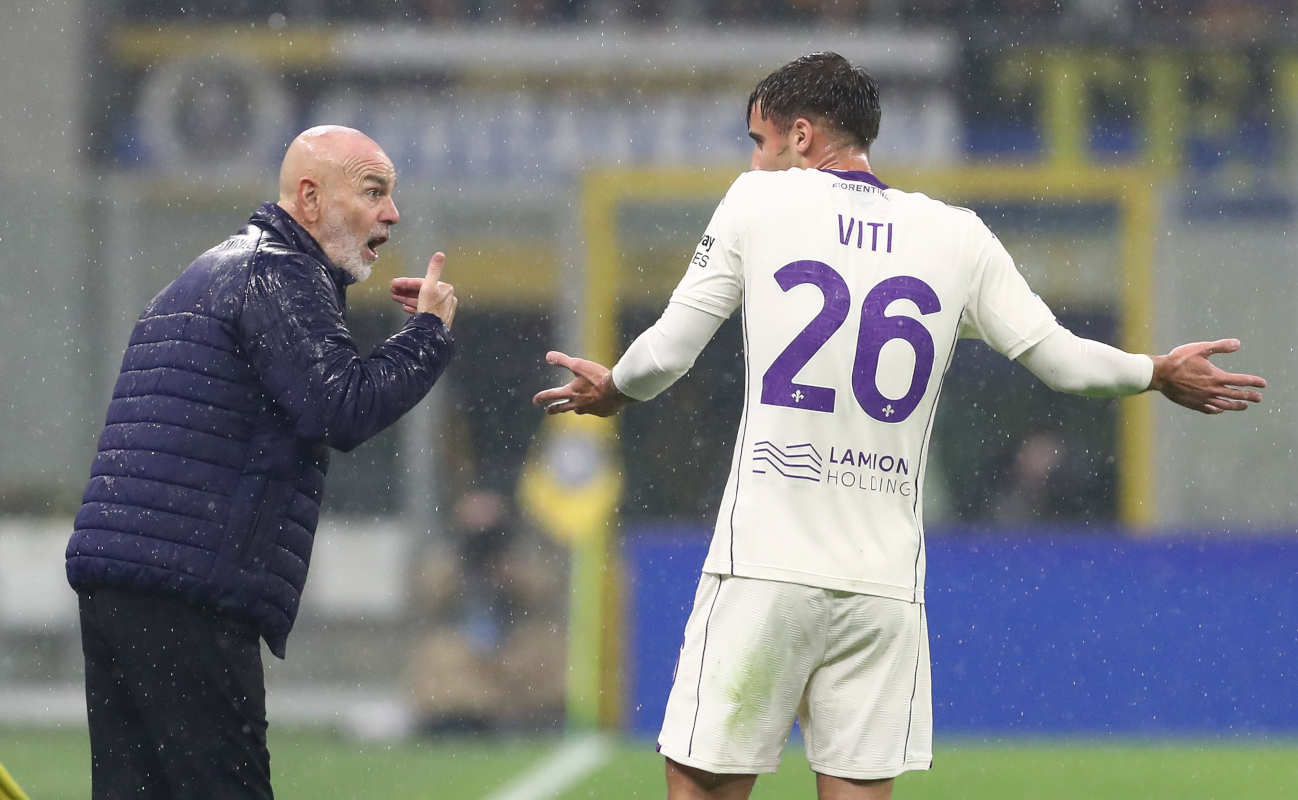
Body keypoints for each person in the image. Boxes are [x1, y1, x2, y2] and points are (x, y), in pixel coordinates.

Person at [531, 53, 1267, 800]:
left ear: (803, 135)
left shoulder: (758, 204)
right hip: (883, 586)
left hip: (765, 566)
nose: (753, 159)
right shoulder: (956, 236)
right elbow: (1067, 364)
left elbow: (667, 354)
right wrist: (1156, 370)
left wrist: (617, 388)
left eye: (759, 140)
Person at [66, 125, 458, 799]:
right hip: (186, 592)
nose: (392, 213)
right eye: (373, 192)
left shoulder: (210, 270)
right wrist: (427, 335)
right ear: (309, 198)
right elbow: (339, 408)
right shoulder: (280, 270)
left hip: (119, 584)